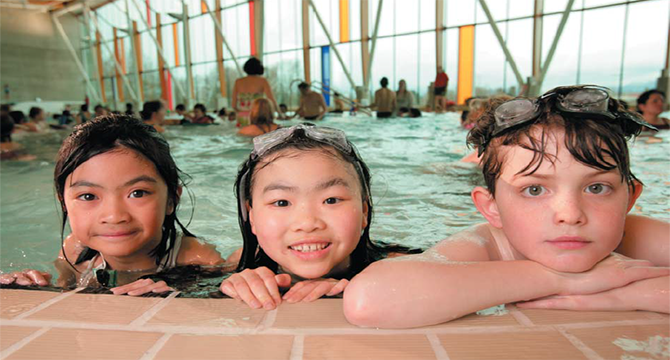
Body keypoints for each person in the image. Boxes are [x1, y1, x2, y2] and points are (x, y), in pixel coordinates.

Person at [343, 85, 670, 328]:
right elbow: (368, 299)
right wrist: (567, 280)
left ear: (630, 198)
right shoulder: (485, 246)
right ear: (492, 208)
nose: (570, 214)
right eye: (534, 189)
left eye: (596, 188)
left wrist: (624, 296)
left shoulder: (633, 232)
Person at [0, 115, 225, 292]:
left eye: (138, 193)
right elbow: (64, 295)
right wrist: (31, 285)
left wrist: (180, 292)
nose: (115, 215)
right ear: (64, 203)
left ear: (172, 199)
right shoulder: (73, 252)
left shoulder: (197, 259)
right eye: (88, 196)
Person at [220, 124, 419, 309]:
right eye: (281, 202)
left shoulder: (399, 266)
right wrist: (235, 285)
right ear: (252, 218)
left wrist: (357, 289)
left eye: (331, 200)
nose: (307, 223)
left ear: (364, 211)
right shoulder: (241, 263)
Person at [232, 58, 280, 127]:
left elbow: (233, 105)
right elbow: (271, 99)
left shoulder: (238, 81)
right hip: (257, 116)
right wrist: (280, 114)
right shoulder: (262, 81)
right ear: (259, 68)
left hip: (242, 116)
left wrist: (242, 113)